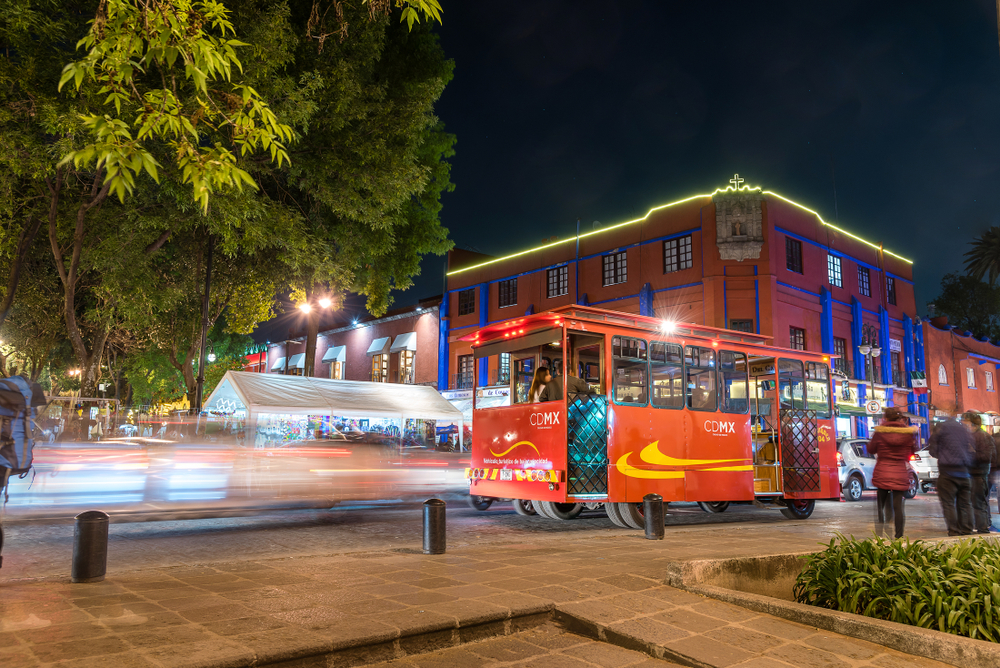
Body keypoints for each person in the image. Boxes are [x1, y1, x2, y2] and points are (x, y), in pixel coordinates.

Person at [867, 407, 918, 539]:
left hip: (882, 471)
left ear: (886, 418)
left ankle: (879, 535)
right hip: (899, 472)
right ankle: (899, 536)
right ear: (900, 418)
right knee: (898, 506)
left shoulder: (879, 433)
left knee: (881, 504)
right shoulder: (907, 433)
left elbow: (871, 449)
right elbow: (912, 451)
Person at [928, 417, 975, 536]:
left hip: (947, 472)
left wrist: (943, 455)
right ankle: (967, 530)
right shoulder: (964, 429)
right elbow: (972, 448)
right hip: (964, 472)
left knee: (948, 503)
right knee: (965, 503)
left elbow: (932, 449)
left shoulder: (941, 428)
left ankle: (954, 530)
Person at [963, 412, 996, 534]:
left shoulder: (984, 437)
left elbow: (987, 457)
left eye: (966, 423)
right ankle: (975, 526)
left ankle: (982, 528)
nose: (965, 426)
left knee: (979, 503)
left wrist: (970, 454)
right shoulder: (969, 436)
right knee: (972, 502)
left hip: (979, 474)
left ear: (974, 424)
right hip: (971, 473)